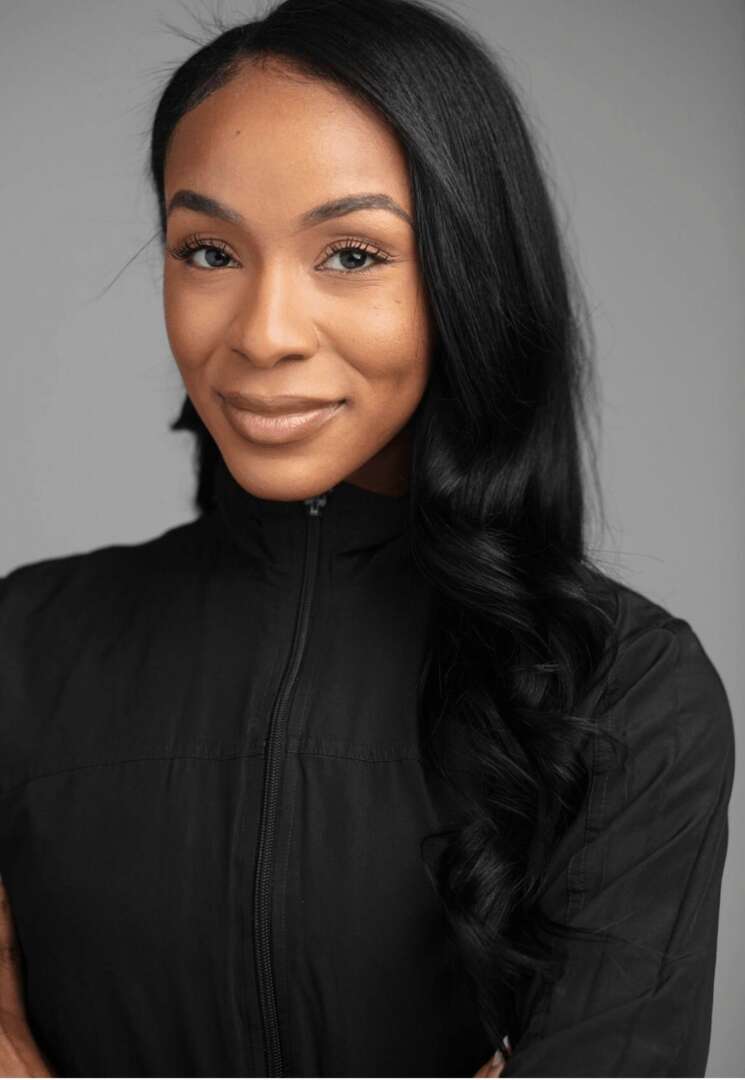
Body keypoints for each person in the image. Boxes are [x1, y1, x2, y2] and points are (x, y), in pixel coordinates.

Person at [0, 0, 735, 1076]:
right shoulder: (21, 650)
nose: (263, 334)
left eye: (350, 254)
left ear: (470, 276)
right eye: (209, 250)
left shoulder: (623, 692)